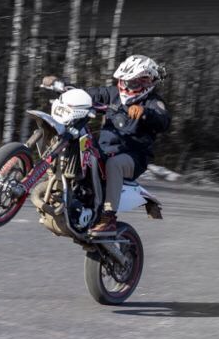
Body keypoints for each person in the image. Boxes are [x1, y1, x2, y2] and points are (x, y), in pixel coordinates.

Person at [42, 55, 171, 236]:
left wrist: (145, 113)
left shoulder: (153, 102)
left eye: (132, 83)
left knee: (114, 164)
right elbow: (85, 93)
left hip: (133, 157)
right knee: (79, 145)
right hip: (104, 150)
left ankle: (108, 217)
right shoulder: (112, 94)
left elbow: (163, 120)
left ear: (146, 83)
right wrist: (60, 85)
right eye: (123, 81)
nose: (126, 87)